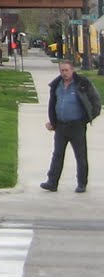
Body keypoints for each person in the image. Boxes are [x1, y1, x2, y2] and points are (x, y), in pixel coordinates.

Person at [41, 59, 101, 193]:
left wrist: (85, 119)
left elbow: (96, 103)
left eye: (66, 70)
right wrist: (52, 121)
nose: (64, 73)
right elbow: (53, 104)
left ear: (72, 70)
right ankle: (52, 182)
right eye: (62, 70)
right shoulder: (57, 85)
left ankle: (81, 184)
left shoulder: (82, 84)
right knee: (57, 155)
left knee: (80, 156)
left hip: (77, 126)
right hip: (61, 126)